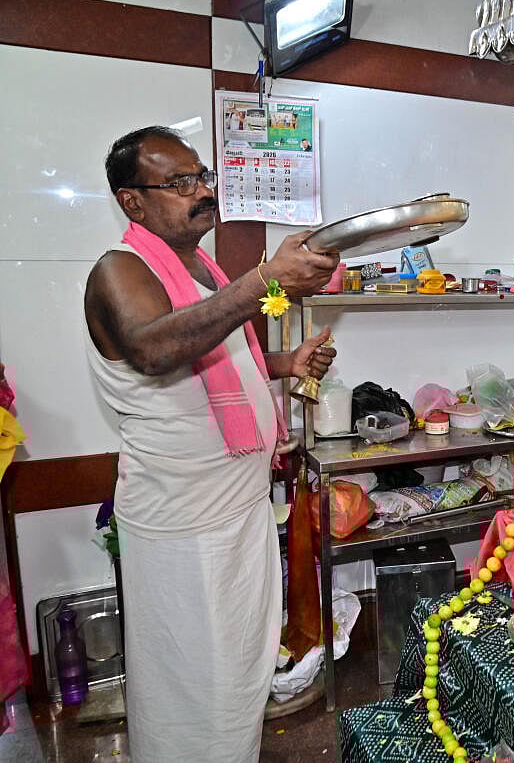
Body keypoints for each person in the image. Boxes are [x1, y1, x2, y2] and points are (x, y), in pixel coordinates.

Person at [84, 126, 339, 762]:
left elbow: (227, 347)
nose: (201, 193)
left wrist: (288, 363)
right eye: (179, 184)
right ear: (132, 202)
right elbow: (156, 347)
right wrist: (263, 279)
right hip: (182, 526)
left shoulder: (204, 267)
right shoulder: (119, 271)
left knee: (238, 678)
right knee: (189, 685)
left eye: (202, 178)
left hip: (238, 509)